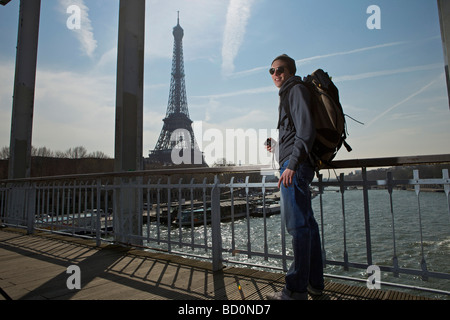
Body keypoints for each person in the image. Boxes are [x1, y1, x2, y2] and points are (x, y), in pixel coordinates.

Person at [265, 54, 324, 300]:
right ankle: (314, 284)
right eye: (271, 71)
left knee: (297, 227)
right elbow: (296, 132)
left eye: (280, 70)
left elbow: (306, 130)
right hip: (294, 163)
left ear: (290, 71)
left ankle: (295, 290)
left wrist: (291, 164)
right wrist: (276, 146)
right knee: (307, 226)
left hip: (295, 168)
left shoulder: (295, 90)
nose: (275, 74)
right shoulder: (289, 93)